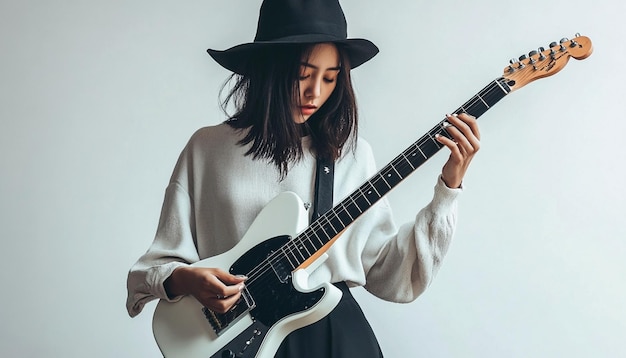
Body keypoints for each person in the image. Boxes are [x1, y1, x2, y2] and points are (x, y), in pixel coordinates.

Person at [126, 0, 480, 356]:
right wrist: (184, 279)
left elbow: (392, 277)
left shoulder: (351, 155)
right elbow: (151, 270)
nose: (315, 93)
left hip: (332, 338)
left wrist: (448, 190)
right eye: (302, 74)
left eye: (330, 78)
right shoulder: (207, 149)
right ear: (269, 69)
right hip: (238, 340)